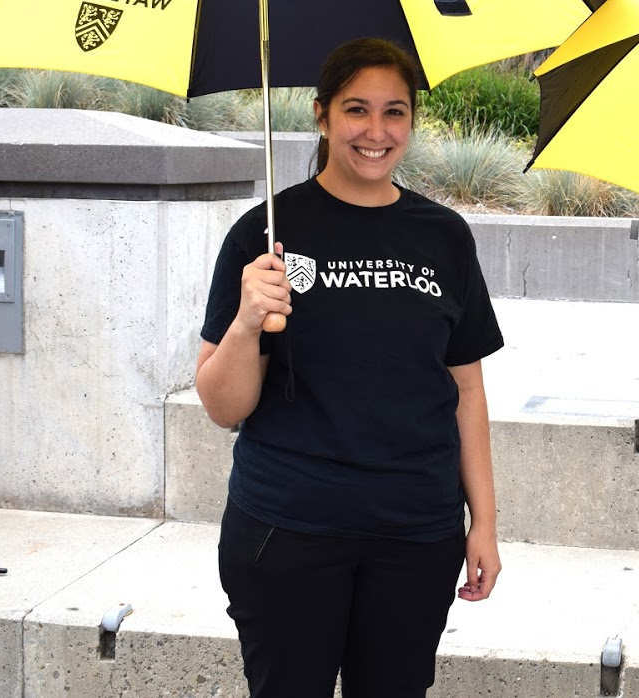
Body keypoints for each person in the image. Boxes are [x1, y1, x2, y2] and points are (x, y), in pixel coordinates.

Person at [195, 38, 503, 698]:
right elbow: (224, 407)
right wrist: (248, 323)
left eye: (394, 112)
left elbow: (466, 388)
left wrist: (485, 524)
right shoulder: (265, 234)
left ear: (412, 122)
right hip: (288, 529)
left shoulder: (443, 236)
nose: (375, 130)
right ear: (321, 115)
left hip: (416, 533)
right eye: (355, 109)